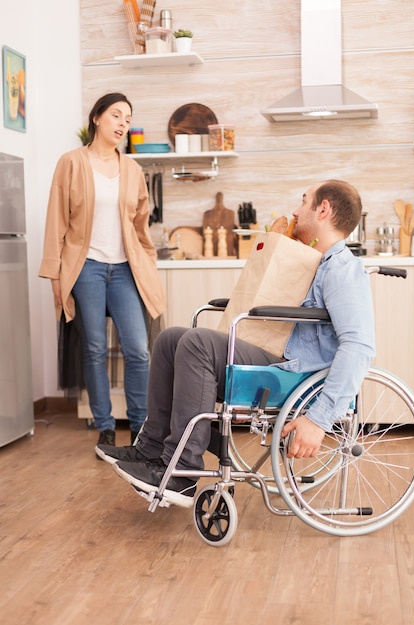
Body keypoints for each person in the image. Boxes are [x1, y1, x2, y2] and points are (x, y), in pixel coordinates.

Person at [97, 179, 376, 508]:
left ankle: (182, 472)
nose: (296, 211)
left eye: (303, 202)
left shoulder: (342, 269)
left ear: (323, 209)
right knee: (171, 339)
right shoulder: (307, 260)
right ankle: (150, 450)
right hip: (279, 358)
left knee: (199, 343)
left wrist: (318, 419)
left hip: (296, 375)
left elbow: (359, 346)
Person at [39, 93, 165, 448]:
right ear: (96, 118)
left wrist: (148, 261)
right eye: (116, 115)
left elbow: (141, 226)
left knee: (138, 349)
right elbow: (56, 222)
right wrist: (55, 278)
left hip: (125, 268)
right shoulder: (71, 163)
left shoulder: (133, 169)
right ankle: (105, 426)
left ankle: (140, 427)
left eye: (127, 117)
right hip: (86, 268)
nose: (123, 123)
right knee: (94, 348)